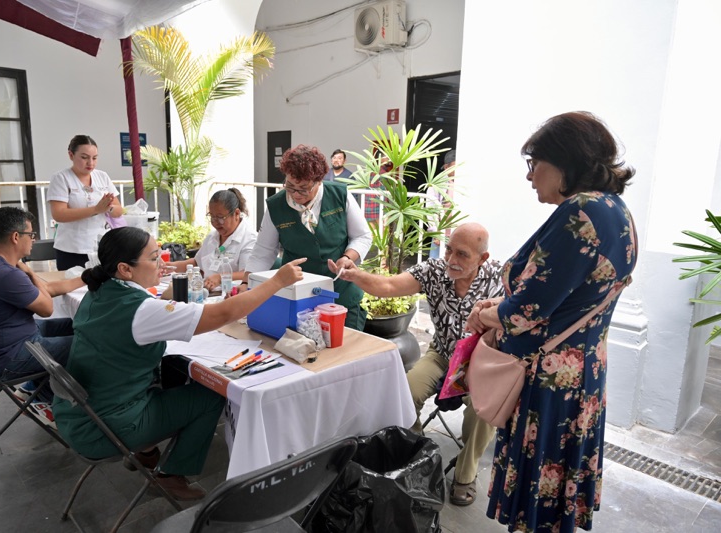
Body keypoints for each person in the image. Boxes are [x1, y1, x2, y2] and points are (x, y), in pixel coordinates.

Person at [466, 112, 637, 533]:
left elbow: (527, 311)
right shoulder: (615, 209)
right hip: (583, 370)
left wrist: (484, 314)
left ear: (564, 161)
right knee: (558, 491)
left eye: (534, 163)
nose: (530, 176)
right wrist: (507, 304)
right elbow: (568, 295)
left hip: (550, 379)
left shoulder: (581, 211)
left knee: (539, 493)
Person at [52, 227, 305, 501]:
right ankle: (170, 475)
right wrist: (277, 281)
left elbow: (137, 325)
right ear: (125, 269)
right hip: (108, 427)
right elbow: (223, 314)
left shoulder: (98, 292)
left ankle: (146, 453)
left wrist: (165, 300)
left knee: (173, 371)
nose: (162, 262)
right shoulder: (140, 309)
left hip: (79, 416)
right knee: (210, 395)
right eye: (153, 258)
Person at [328, 222, 503, 507]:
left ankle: (465, 474)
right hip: (442, 354)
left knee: (483, 411)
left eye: (462, 254)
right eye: (449, 250)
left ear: (482, 258)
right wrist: (354, 274)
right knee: (404, 392)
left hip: (482, 363)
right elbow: (388, 286)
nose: (451, 259)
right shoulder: (434, 271)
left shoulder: (500, 277)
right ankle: (422, 456)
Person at [0, 207, 86, 427]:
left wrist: (88, 277)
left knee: (76, 324)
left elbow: (46, 290)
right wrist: (30, 273)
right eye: (31, 234)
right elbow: (46, 308)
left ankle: (33, 391)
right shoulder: (6, 274)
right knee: (87, 343)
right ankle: (44, 399)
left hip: (8, 342)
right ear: (16, 237)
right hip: (8, 357)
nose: (33, 240)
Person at [245, 144, 373, 330]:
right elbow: (263, 251)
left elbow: (362, 236)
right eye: (290, 186)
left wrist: (347, 258)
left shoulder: (339, 195)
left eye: (303, 188)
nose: (296, 194)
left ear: (318, 181)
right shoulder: (276, 206)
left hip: (341, 293)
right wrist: (246, 285)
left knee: (345, 345)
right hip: (298, 296)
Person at [48, 134, 123, 271]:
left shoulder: (102, 176)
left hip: (101, 247)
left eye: (94, 158)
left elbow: (119, 211)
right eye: (84, 157)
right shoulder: (61, 178)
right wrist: (96, 210)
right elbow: (59, 214)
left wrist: (108, 207)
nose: (90, 163)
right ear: (71, 155)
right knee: (73, 283)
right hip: (72, 249)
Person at [168, 188, 257, 291]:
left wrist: (220, 277)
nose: (215, 222)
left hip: (233, 294)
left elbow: (248, 274)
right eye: (212, 217)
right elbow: (197, 263)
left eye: (220, 218)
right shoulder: (212, 237)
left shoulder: (250, 239)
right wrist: (170, 266)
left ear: (236, 214)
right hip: (207, 292)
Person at [429, 150, 457, 260]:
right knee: (436, 263)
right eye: (455, 166)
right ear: (446, 167)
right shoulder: (437, 184)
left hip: (458, 233)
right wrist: (436, 232)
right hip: (442, 232)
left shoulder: (464, 182)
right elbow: (431, 208)